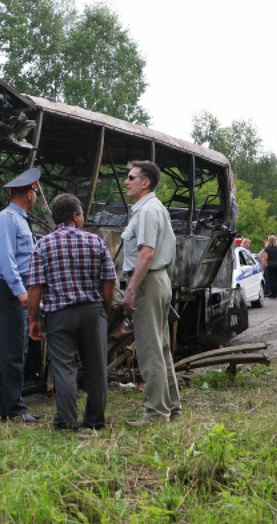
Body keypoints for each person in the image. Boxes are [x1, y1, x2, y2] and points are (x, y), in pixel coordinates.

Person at [27, 194, 117, 431]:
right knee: (96, 369)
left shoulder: (42, 245)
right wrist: (103, 309)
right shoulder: (96, 242)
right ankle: (95, 420)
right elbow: (109, 281)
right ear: (75, 216)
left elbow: (35, 286)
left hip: (59, 315)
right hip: (92, 311)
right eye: (82, 214)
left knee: (65, 369)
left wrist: (33, 319)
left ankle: (67, 421)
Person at [121, 160, 181, 426]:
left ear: (145, 182)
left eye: (131, 177)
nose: (126, 181)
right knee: (162, 347)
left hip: (149, 281)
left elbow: (146, 253)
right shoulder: (157, 208)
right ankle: (172, 408)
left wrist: (130, 290)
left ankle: (156, 414)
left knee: (150, 349)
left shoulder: (146, 211)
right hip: (160, 280)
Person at [0, 167, 41, 423]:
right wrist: (22, 293)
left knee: (19, 348)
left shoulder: (19, 219)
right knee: (13, 351)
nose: (36, 198)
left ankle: (16, 405)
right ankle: (12, 410)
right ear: (29, 193)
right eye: (35, 193)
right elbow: (6, 259)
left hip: (20, 287)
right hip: (10, 289)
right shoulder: (7, 218)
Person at [260, 235, 277, 299]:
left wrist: (263, 266)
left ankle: (274, 294)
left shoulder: (267, 248)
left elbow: (265, 258)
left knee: (272, 280)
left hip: (271, 264)